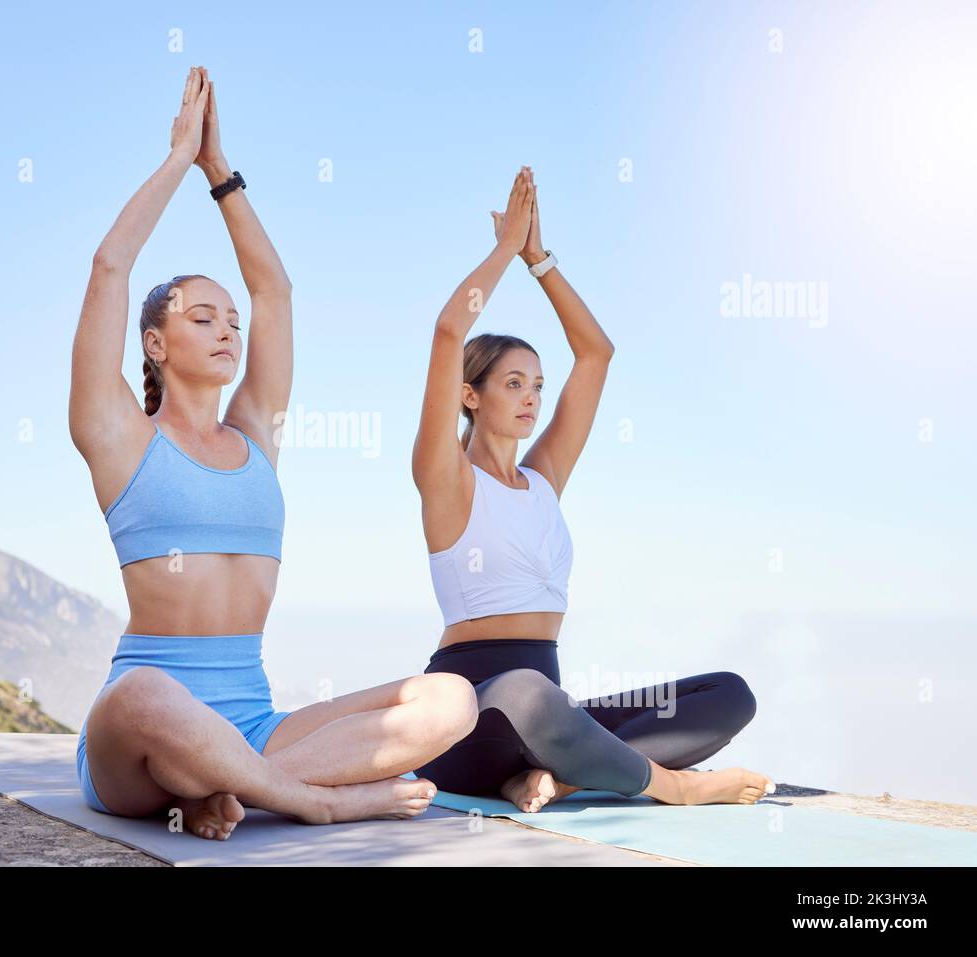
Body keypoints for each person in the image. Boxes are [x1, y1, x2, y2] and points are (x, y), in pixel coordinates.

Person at [69, 67, 478, 840]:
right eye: (202, 318)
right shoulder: (119, 436)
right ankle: (314, 798)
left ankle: (233, 785)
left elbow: (276, 293)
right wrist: (179, 157)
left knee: (451, 698)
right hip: (142, 741)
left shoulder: (255, 435)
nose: (228, 329)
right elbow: (109, 269)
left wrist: (221, 174)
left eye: (230, 319)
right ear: (154, 344)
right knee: (142, 696)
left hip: (257, 724)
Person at [409, 166, 775, 811]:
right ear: (471, 395)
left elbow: (596, 353)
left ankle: (564, 776)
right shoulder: (447, 480)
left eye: (538, 386)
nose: (531, 398)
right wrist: (502, 250)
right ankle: (677, 789)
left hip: (551, 717)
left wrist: (538, 259)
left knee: (728, 692)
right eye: (513, 383)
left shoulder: (542, 479)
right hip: (474, 718)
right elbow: (447, 333)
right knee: (528, 692)